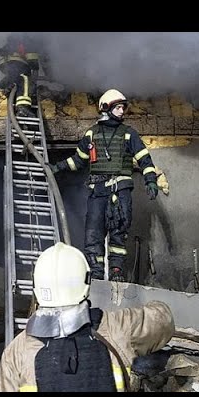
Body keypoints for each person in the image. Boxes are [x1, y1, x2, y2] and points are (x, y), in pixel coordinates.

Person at [0, 242, 174, 392]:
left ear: (38, 288)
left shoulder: (17, 351)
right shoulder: (116, 327)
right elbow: (163, 318)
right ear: (86, 283)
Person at [48, 88, 159, 282]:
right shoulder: (91, 134)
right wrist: (58, 167)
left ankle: (116, 272)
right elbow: (79, 160)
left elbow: (145, 160)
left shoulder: (129, 134)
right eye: (118, 107)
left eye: (123, 107)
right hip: (97, 192)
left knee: (119, 234)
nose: (122, 111)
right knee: (93, 235)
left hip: (120, 191)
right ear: (106, 107)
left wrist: (150, 180)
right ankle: (96, 275)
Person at [0, 33, 42, 118]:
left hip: (6, 63)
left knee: (16, 78)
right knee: (25, 79)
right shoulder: (29, 40)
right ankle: (23, 107)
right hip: (17, 62)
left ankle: (8, 85)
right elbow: (32, 58)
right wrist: (34, 69)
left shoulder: (15, 38)